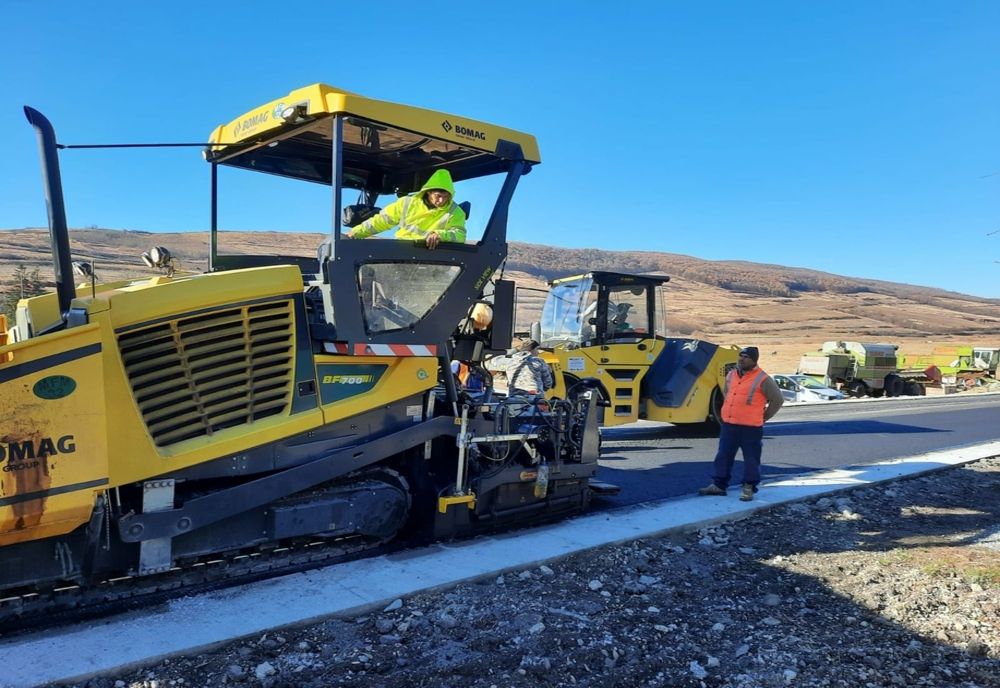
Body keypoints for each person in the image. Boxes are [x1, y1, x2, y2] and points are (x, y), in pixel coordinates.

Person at [698, 346, 784, 501]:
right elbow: (727, 393)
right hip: (729, 425)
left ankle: (748, 487)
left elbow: (777, 400)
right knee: (723, 456)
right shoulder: (731, 375)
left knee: (751, 459)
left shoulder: (762, 378)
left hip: (750, 428)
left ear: (754, 360)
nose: (741, 359)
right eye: (740, 356)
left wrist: (764, 417)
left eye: (746, 357)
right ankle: (719, 485)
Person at [346, 169, 466, 249]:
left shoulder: (455, 211)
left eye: (445, 197)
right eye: (438, 196)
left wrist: (439, 234)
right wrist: (354, 233)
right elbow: (380, 221)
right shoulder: (407, 203)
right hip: (403, 251)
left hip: (432, 256)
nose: (441, 201)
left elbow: (460, 235)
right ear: (428, 192)